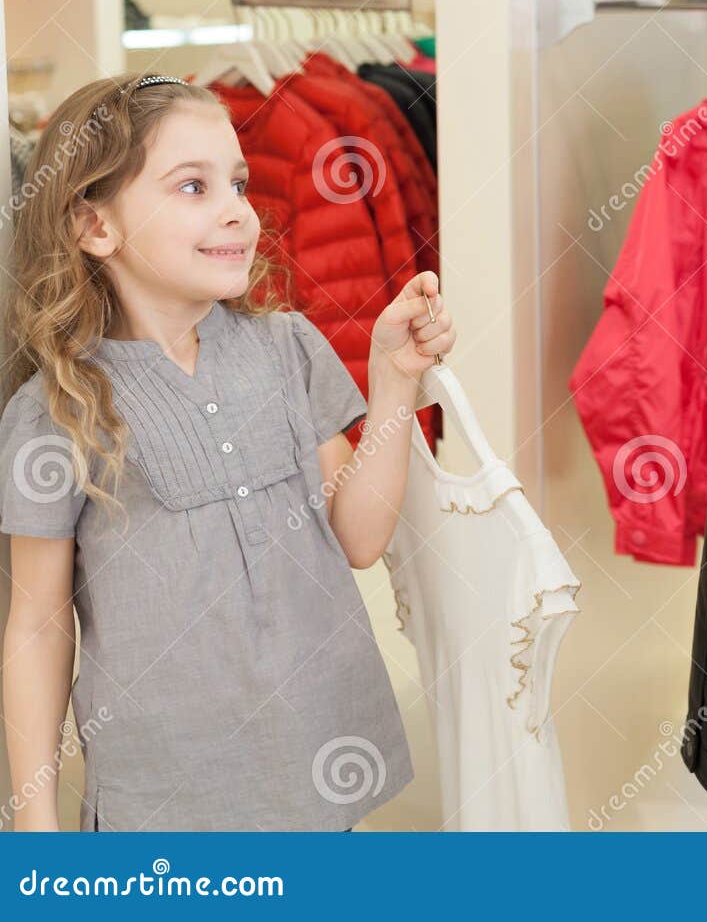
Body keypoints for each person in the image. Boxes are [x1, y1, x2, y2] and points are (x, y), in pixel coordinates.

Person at [1, 73, 455, 831]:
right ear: (95, 227)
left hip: (318, 769)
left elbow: (359, 535)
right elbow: (39, 626)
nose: (237, 210)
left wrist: (393, 379)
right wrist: (34, 820)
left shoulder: (289, 349)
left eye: (238, 183)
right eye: (192, 187)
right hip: (164, 809)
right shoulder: (55, 409)